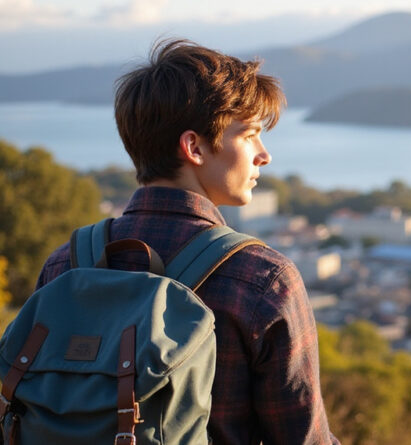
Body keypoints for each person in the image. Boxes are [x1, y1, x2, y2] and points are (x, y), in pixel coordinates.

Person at [36, 39, 339, 445]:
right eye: (249, 135)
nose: (263, 155)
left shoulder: (65, 267)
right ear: (193, 146)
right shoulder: (261, 280)